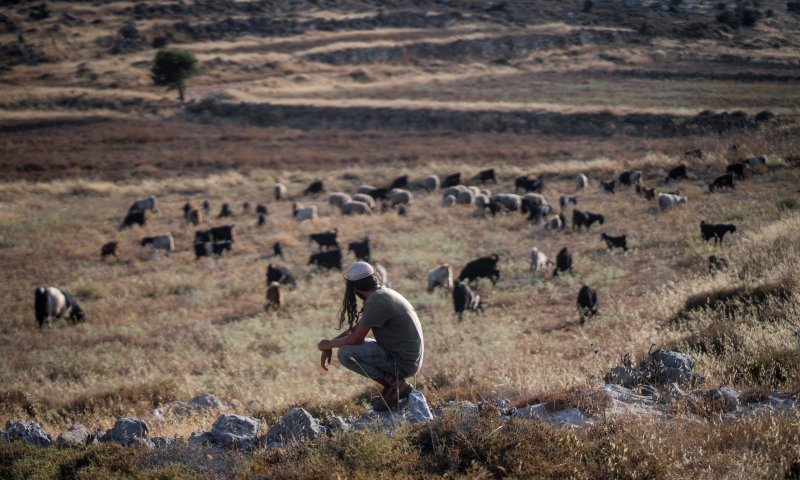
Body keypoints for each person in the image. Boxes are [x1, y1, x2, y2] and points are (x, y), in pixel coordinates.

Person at [317, 262, 424, 411]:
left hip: (404, 363)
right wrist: (331, 343)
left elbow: (356, 339)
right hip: (406, 359)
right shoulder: (382, 294)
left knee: (345, 353)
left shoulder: (377, 300)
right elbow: (357, 329)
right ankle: (392, 387)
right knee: (346, 347)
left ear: (354, 288)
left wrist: (328, 345)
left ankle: (396, 386)